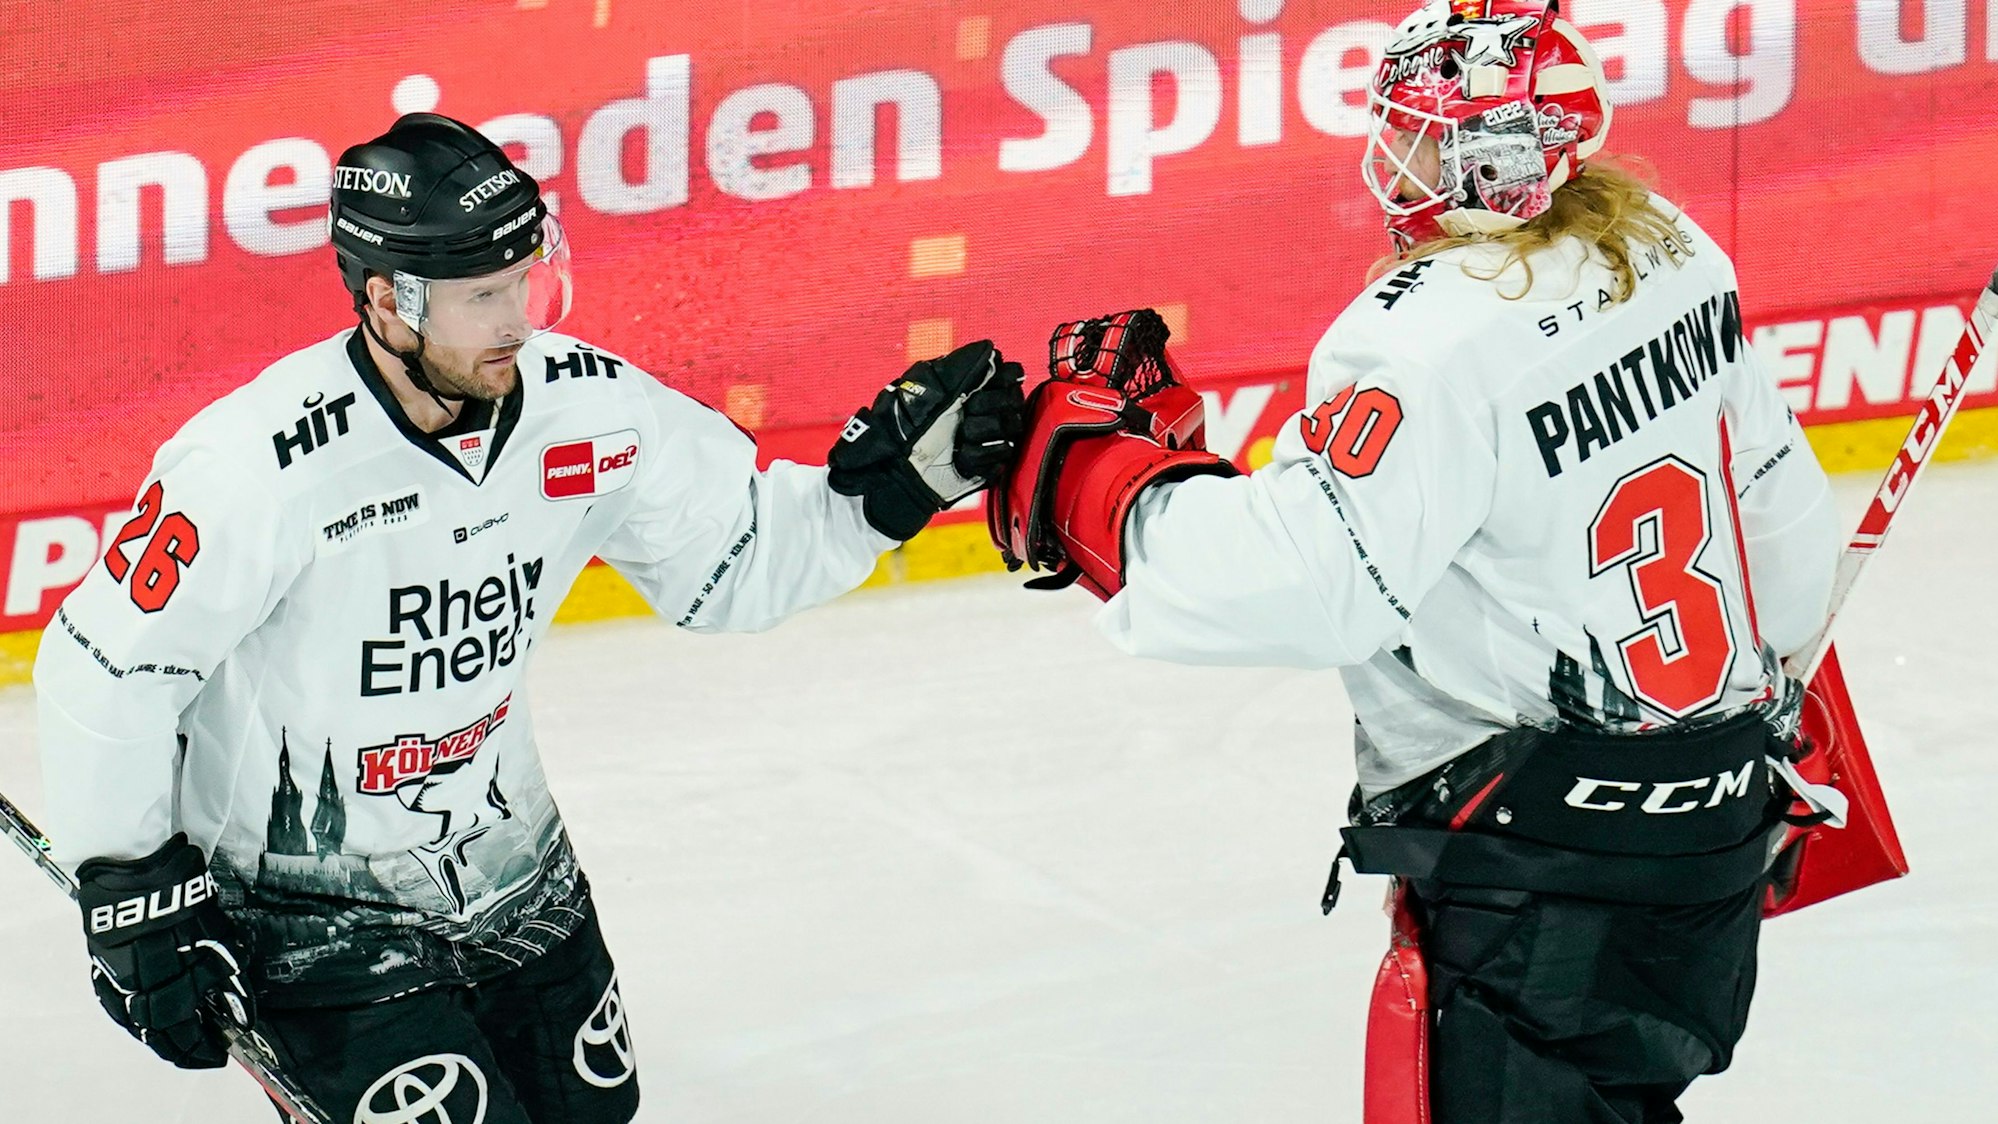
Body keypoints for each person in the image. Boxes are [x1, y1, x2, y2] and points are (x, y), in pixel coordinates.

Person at [35, 112, 1024, 1123]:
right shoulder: (256, 465)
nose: (515, 318)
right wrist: (133, 883)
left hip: (519, 876)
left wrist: (893, 489)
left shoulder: (584, 411)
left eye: (525, 280)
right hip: (309, 920)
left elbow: (735, 560)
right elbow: (103, 670)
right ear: (387, 300)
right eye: (481, 297)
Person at [986, 2, 1842, 1120]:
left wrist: (1102, 482)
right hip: (1712, 847)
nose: (1396, 160)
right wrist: (1746, 744)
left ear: (1494, 162)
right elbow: (1780, 520)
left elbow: (1308, 584)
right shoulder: (1672, 248)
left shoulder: (1424, 332)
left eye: (1427, 135)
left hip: (1538, 872)